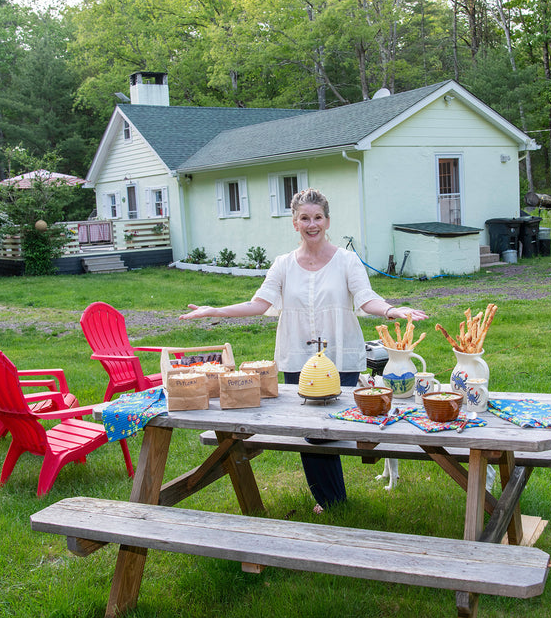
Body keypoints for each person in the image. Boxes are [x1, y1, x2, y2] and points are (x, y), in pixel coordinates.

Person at [180, 188, 428, 512]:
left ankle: (334, 499)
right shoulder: (283, 265)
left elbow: (366, 298)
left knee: (332, 427)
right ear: (295, 223)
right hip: (298, 356)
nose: (312, 224)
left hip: (341, 355)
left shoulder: (347, 261)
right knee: (310, 430)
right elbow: (259, 304)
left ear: (327, 221)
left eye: (318, 217)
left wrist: (391, 310)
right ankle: (333, 502)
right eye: (305, 218)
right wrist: (215, 310)